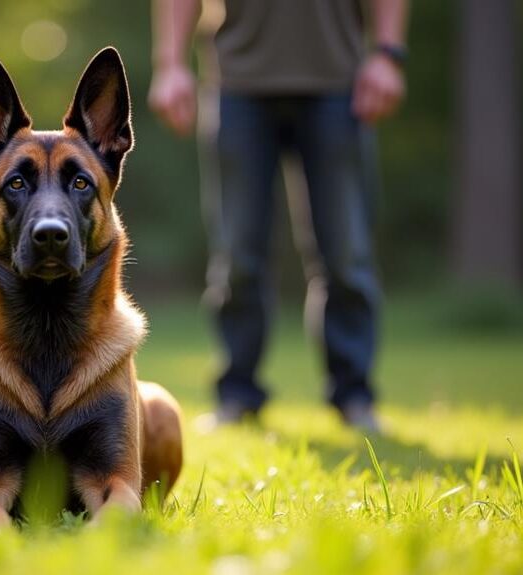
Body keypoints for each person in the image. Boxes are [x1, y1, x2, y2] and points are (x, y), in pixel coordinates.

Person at [149, 0, 409, 430]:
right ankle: (237, 395)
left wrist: (387, 53)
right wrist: (170, 62)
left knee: (347, 255)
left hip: (339, 84)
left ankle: (354, 397)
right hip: (238, 86)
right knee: (236, 256)